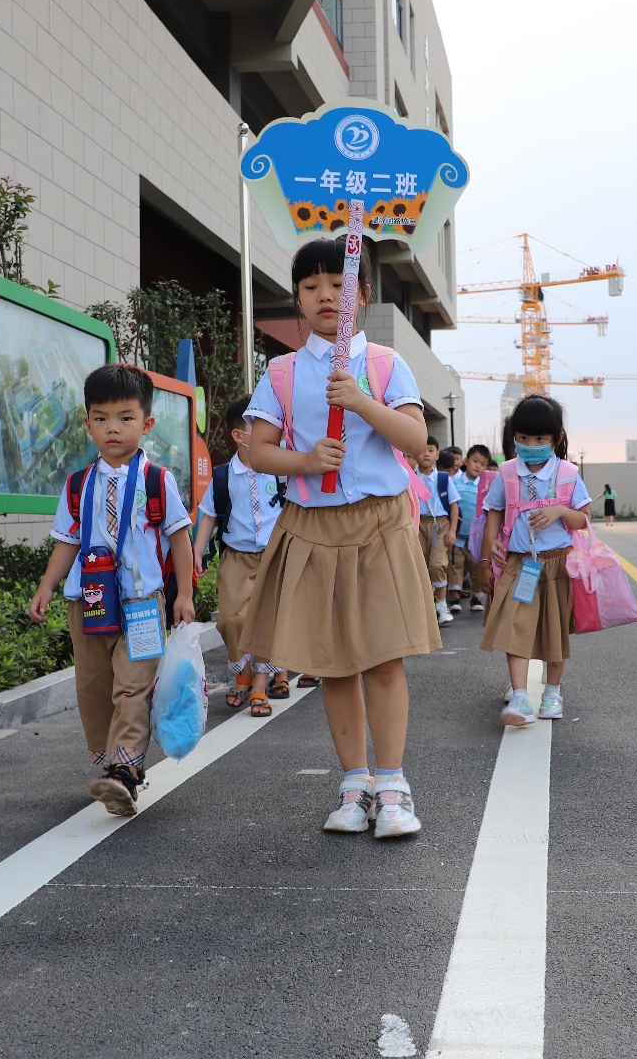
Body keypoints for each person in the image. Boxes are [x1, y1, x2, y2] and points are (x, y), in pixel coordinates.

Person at [241, 236, 440, 839]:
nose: (326, 295)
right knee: (332, 667)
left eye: (338, 283)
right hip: (312, 527)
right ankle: (353, 785)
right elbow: (256, 450)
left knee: (383, 660)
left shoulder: (383, 364)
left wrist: (360, 401)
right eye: (310, 287)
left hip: (379, 522)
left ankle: (393, 786)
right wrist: (305, 461)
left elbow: (412, 439)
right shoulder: (280, 371)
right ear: (297, 301)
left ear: (363, 294)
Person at [29, 364, 196, 815]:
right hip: (87, 602)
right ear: (87, 425)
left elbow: (180, 539)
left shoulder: (157, 481)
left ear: (146, 424)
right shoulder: (78, 485)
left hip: (141, 603)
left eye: (125, 417)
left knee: (133, 688)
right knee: (93, 688)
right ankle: (109, 768)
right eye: (100, 418)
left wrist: (184, 596)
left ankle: (124, 771)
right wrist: (48, 585)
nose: (113, 429)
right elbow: (67, 542)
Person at [481, 395, 593, 726]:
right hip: (519, 563)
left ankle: (552, 692)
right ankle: (519, 696)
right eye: (524, 438)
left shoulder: (568, 473)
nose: (531, 445)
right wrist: (491, 541)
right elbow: (494, 509)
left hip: (557, 563)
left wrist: (560, 510)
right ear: (514, 436)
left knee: (555, 630)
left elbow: (583, 519)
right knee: (514, 625)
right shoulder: (506, 472)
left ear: (556, 439)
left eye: (540, 439)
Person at [192, 397, 288, 717]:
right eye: (261, 428)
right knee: (232, 619)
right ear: (239, 436)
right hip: (236, 556)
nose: (271, 434)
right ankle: (244, 671)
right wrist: (198, 554)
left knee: (266, 620)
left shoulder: (281, 469)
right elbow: (208, 515)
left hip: (275, 555)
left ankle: (258, 687)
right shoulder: (223, 476)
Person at [414, 437, 459, 625]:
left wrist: (453, 530)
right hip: (418, 524)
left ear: (437, 455)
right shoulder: (410, 477)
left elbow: (454, 505)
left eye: (430, 450)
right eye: (422, 449)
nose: (426, 454)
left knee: (437, 564)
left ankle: (441, 604)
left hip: (440, 525)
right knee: (421, 566)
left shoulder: (443, 478)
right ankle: (427, 605)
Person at [449, 445, 489, 612]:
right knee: (455, 565)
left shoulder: (486, 487)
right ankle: (456, 598)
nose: (478, 466)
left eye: (483, 463)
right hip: (458, 534)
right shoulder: (454, 483)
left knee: (475, 567)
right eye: (475, 461)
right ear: (466, 461)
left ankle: (476, 597)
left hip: (476, 537)